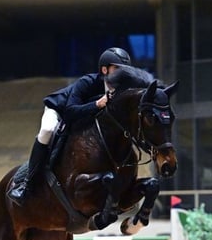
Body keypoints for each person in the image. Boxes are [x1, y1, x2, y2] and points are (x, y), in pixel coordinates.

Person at [7, 46, 132, 206]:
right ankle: (26, 185)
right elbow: (70, 112)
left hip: (83, 118)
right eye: (117, 69)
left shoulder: (121, 90)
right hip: (59, 109)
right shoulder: (88, 82)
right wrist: (97, 104)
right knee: (47, 131)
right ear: (104, 69)